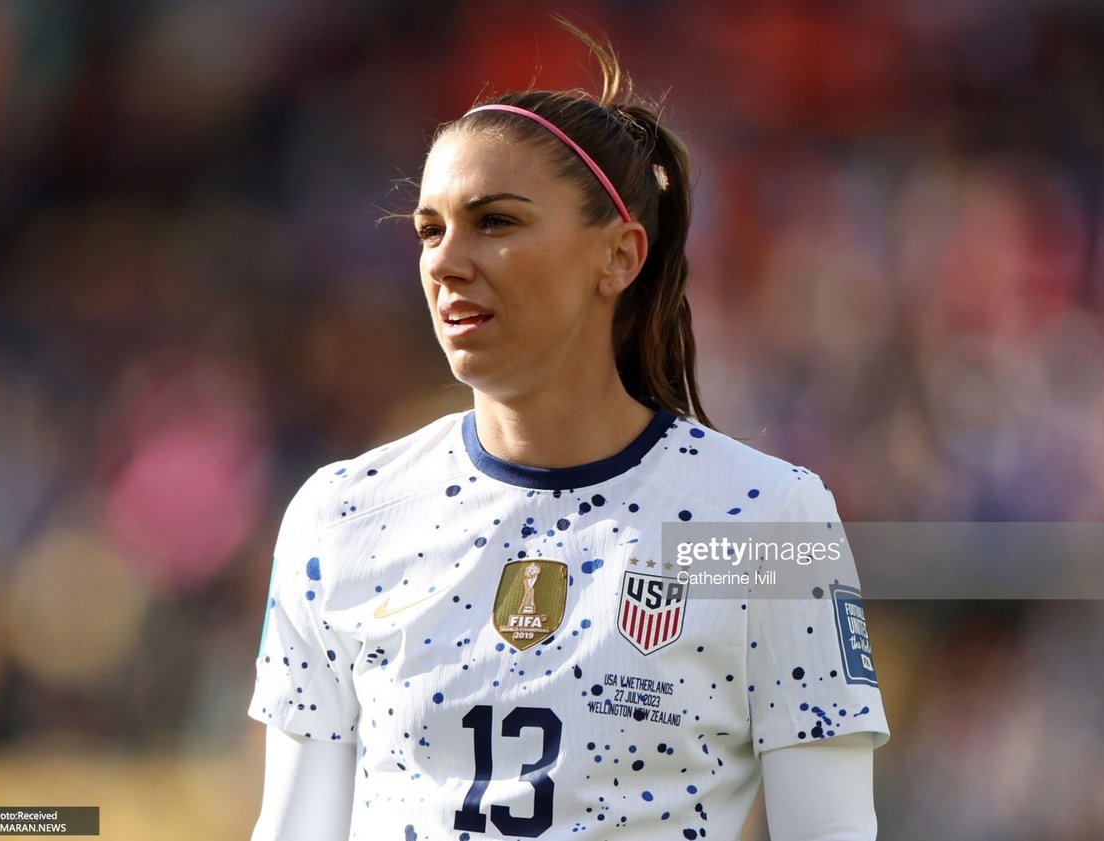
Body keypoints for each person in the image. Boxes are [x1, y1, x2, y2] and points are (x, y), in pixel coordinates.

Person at [249, 24, 889, 841]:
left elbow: (829, 831)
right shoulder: (342, 514)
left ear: (619, 256)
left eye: (496, 221)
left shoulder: (767, 521)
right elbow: (295, 828)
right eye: (430, 230)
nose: (445, 261)